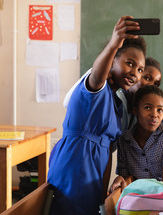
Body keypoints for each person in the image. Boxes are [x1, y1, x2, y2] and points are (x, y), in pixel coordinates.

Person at [47, 16, 146, 215]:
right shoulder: (96, 89)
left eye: (140, 69)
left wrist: (103, 189)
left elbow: (107, 150)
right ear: (113, 60)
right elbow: (97, 75)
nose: (135, 72)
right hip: (74, 165)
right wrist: (113, 44)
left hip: (94, 172)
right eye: (129, 63)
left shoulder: (117, 101)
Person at [109, 85, 163, 208]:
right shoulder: (124, 139)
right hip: (141, 201)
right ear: (135, 110)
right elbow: (127, 178)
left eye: (160, 110)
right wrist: (120, 179)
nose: (154, 114)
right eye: (147, 108)